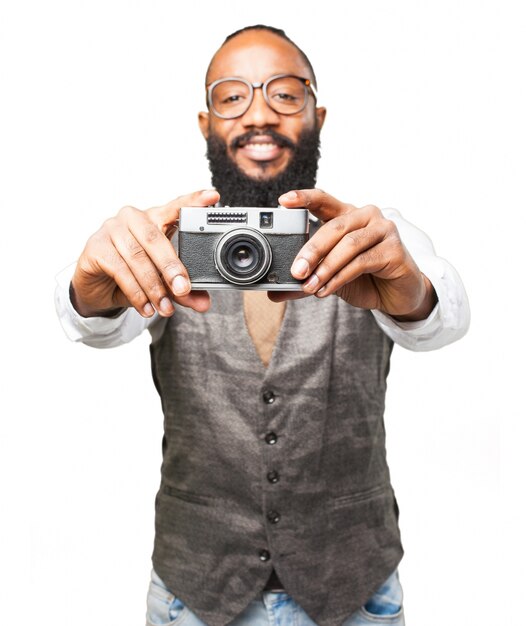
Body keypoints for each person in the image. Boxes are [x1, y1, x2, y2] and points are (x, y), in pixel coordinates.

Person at [55, 24, 470, 626]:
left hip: (352, 587)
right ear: (206, 124)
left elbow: (444, 317)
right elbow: (95, 325)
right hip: (194, 593)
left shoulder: (370, 238)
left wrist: (407, 290)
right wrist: (89, 289)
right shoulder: (168, 241)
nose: (259, 115)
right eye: (231, 96)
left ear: (317, 115)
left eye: (284, 94)